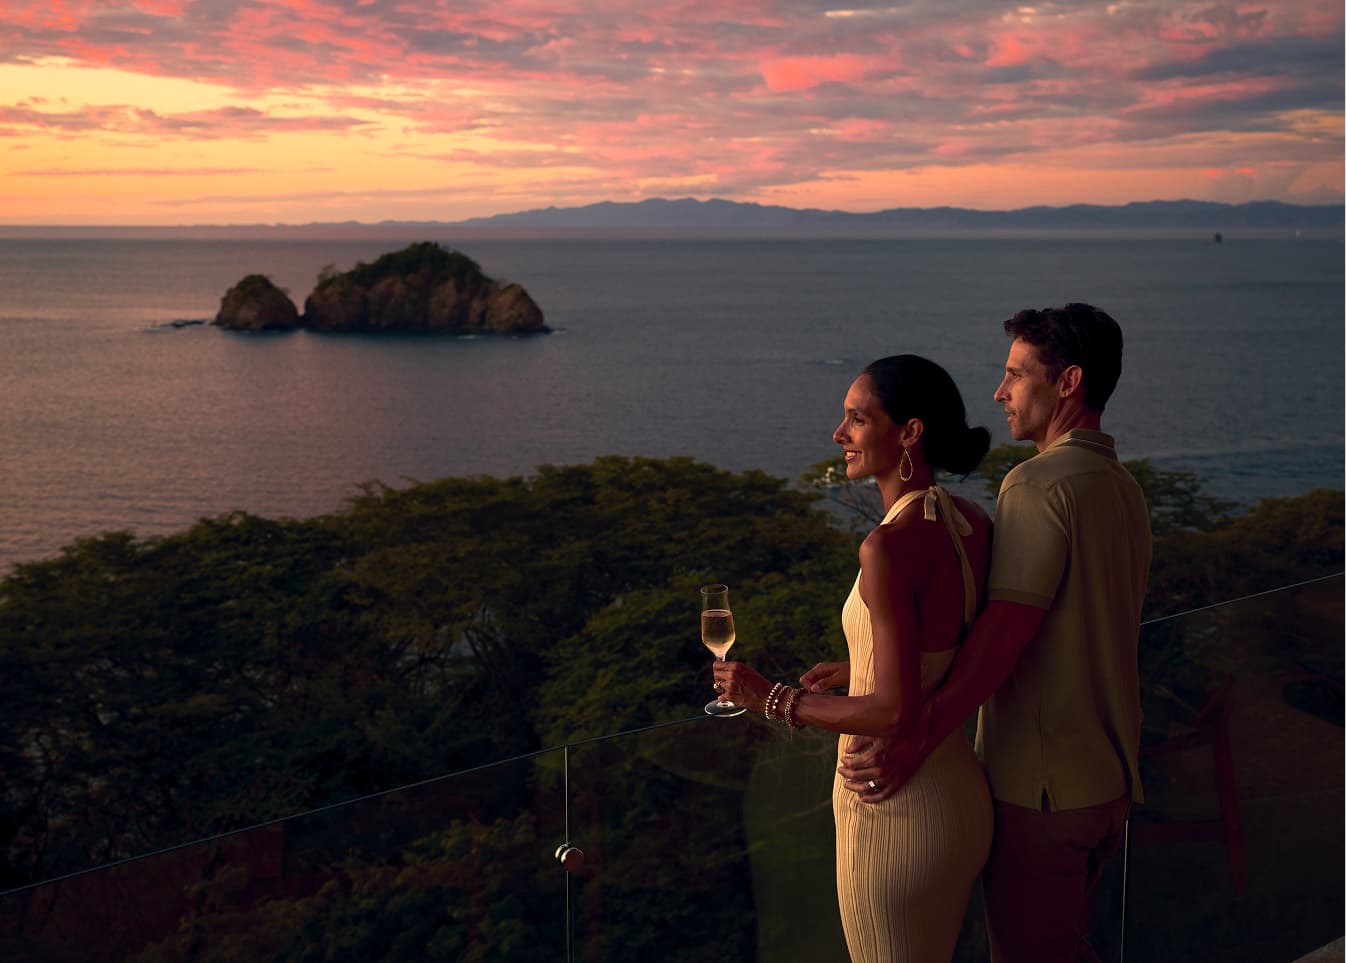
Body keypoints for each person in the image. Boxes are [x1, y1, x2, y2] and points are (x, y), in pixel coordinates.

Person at [840, 303, 1152, 963]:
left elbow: (1005, 631)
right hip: (1110, 775)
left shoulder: (1037, 485)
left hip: (1042, 787)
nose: (999, 391)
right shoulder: (1120, 485)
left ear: (1067, 383)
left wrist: (913, 738)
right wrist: (863, 667)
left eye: (1015, 374)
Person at [713, 354, 995, 963]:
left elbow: (894, 710)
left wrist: (769, 697)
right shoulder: (968, 522)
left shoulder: (886, 547)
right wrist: (858, 664)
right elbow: (950, 641)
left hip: (895, 807)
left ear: (909, 432)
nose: (839, 435)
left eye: (856, 420)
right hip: (961, 797)